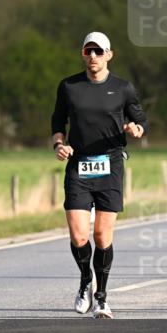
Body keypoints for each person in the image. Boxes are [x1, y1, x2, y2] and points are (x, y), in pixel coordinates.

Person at [50, 31, 148, 318]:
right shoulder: (69, 86)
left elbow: (140, 120)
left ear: (109, 54)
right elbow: (58, 121)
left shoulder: (123, 88)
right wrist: (59, 144)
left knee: (102, 234)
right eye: (88, 51)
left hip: (111, 164)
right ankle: (85, 281)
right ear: (83, 54)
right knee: (80, 235)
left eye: (98, 51)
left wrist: (135, 129)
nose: (93, 56)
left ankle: (102, 297)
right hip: (79, 164)